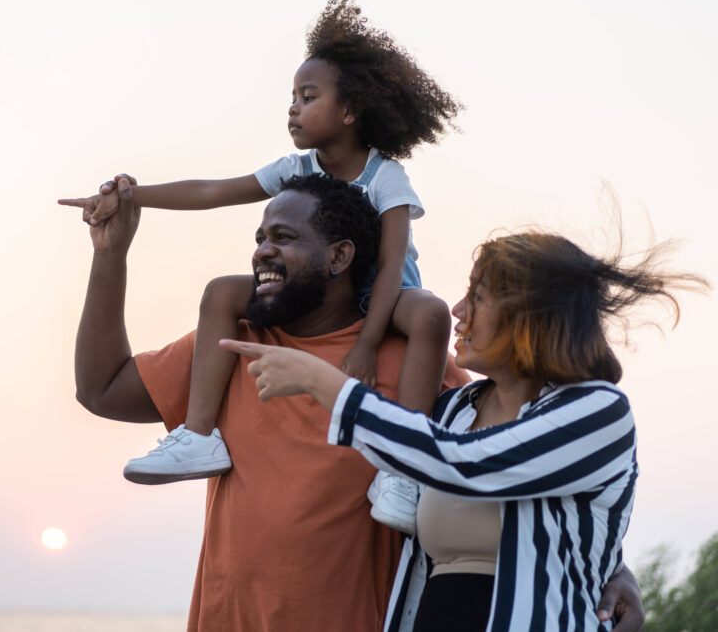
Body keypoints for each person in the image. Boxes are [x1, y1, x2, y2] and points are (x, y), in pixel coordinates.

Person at [69, 174, 647, 631]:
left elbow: (498, 462)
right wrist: (109, 256)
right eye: (259, 238)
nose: (262, 253)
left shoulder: (421, 375)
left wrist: (611, 567)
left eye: (284, 239)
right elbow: (101, 388)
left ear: (341, 257)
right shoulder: (232, 347)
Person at [60, 0, 460, 534]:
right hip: (332, 295)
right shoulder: (295, 169)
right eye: (292, 96)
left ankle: (403, 466)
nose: (293, 107)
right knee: (221, 291)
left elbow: (389, 264)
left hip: (387, 295)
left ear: (350, 111)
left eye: (308, 97)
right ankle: (200, 435)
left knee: (432, 314)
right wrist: (133, 195)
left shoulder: (386, 177)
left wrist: (367, 342)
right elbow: (213, 190)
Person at [221, 227, 705, 631]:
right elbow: (405, 454)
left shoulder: (597, 411)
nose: (457, 310)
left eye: (477, 296)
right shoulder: (452, 409)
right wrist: (616, 567)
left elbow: (465, 463)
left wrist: (322, 382)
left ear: (530, 316)